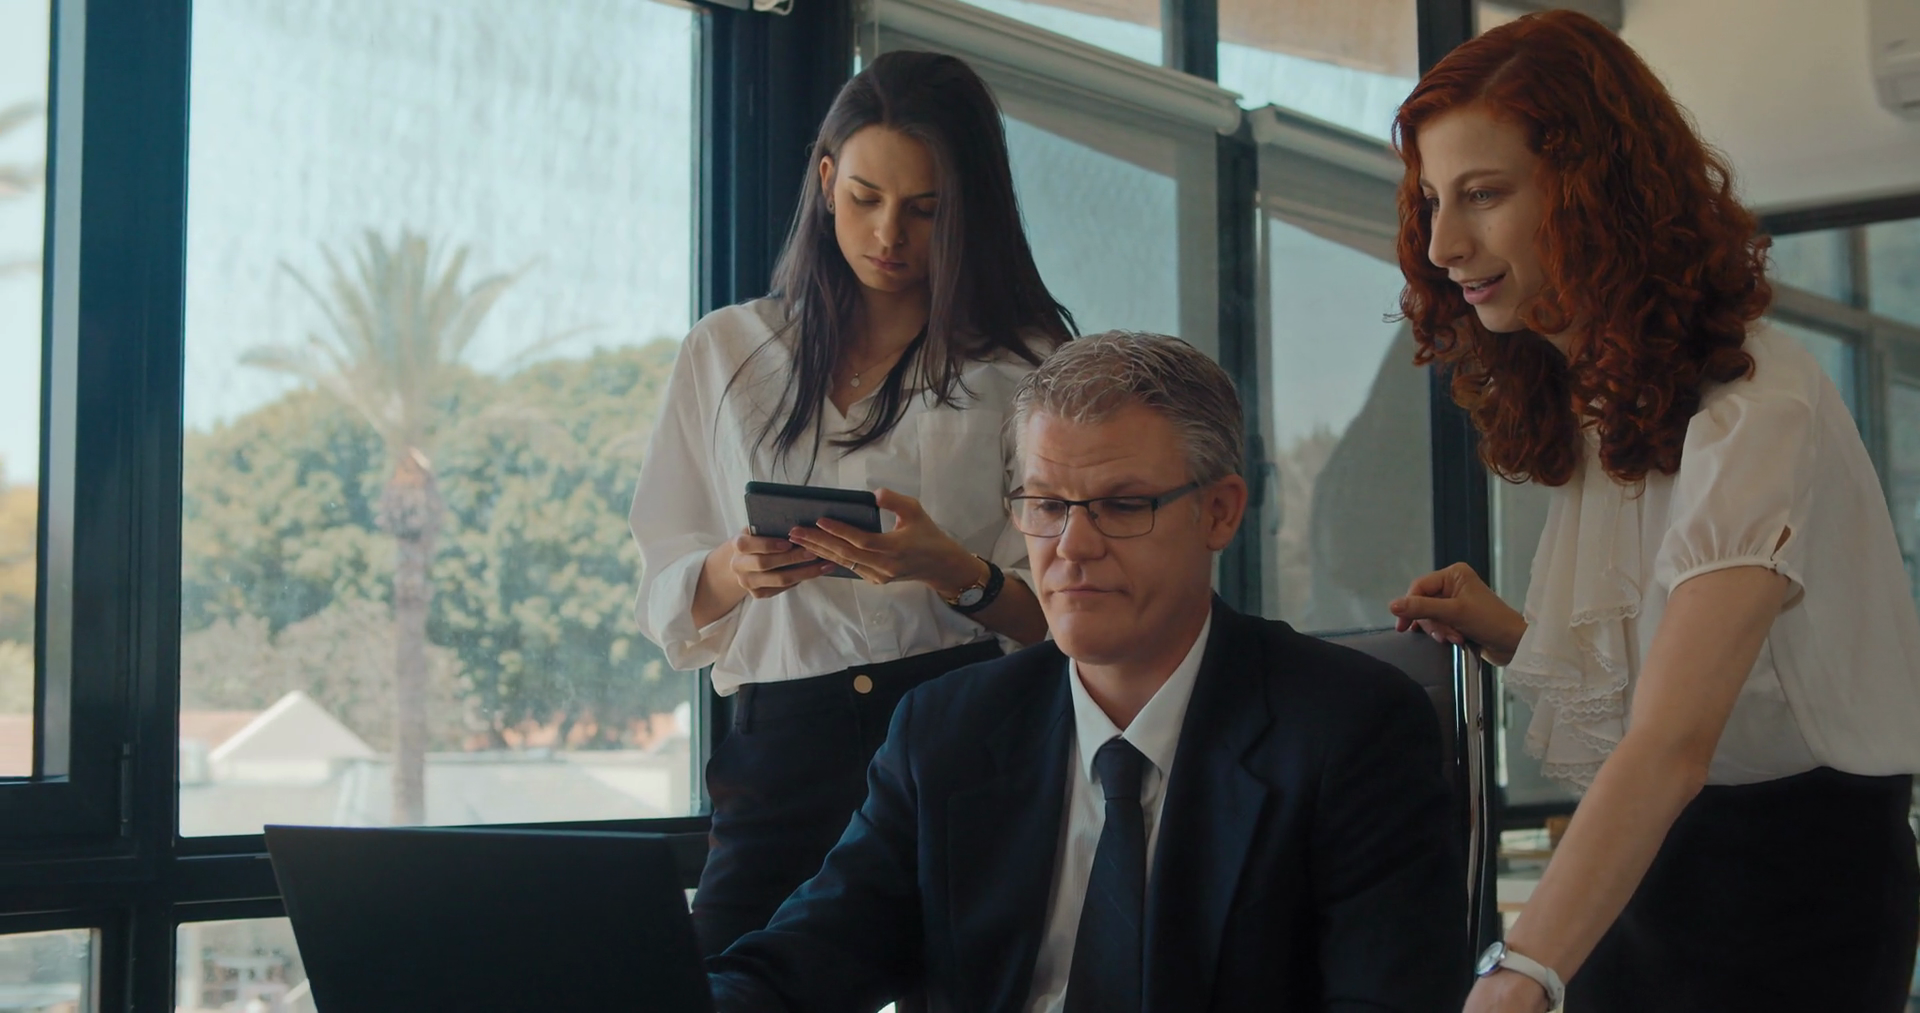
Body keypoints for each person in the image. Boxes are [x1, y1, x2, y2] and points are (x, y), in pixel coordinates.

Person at [1385, 11, 1920, 1013]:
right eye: (1431, 201)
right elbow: (1675, 677)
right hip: (1660, 872)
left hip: (1791, 898)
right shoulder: (1609, 396)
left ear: (1596, 193)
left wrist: (1521, 969)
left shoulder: (1755, 408)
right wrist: (1512, 634)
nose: (1445, 243)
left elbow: (1676, 741)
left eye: (1483, 194)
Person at [708, 332, 1468, 1012]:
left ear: (1220, 513)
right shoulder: (946, 730)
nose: (1071, 546)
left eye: (1123, 505)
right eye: (1045, 505)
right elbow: (805, 960)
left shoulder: (1350, 729)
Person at [629, 50, 1073, 959]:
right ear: (827, 180)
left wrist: (955, 571)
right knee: (719, 985)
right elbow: (664, 592)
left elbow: (1063, 616)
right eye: (866, 197)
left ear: (970, 208)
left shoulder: (1024, 366)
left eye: (926, 209)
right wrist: (736, 568)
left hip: (963, 727)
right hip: (781, 748)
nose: (889, 234)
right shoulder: (727, 351)